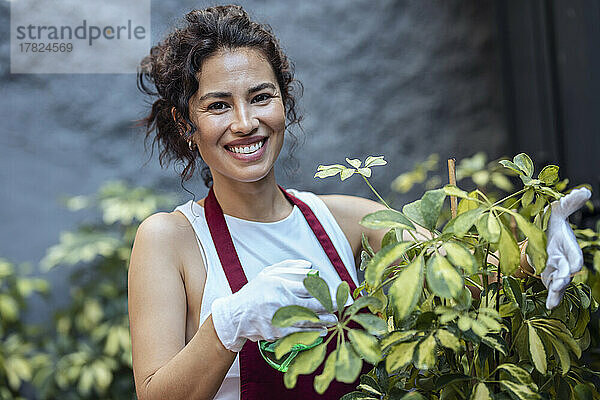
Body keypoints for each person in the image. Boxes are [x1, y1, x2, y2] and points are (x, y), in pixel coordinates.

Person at [128, 5, 387, 400]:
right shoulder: (171, 240)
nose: (245, 122)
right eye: (218, 105)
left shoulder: (348, 221)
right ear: (185, 124)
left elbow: (472, 266)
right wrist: (227, 324)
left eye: (261, 97)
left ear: (284, 102)